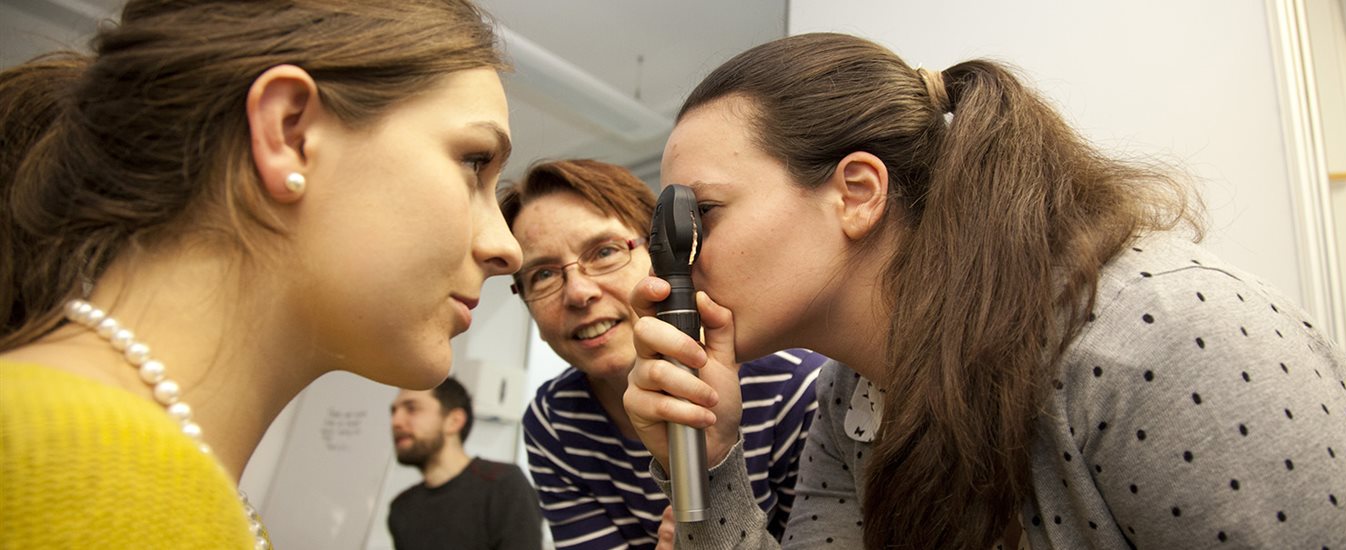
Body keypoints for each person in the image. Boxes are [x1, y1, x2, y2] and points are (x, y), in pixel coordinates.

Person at [623, 32, 1346, 549]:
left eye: (701, 216)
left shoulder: (1165, 336)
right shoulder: (855, 399)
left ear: (856, 192)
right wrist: (713, 465)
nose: (668, 271)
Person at [0, 1, 522, 547]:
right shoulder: (50, 460)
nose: (507, 249)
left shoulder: (155, 479)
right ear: (289, 134)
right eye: (474, 162)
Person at [499, 159, 826, 549]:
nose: (578, 293)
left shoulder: (797, 388)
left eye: (604, 251)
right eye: (544, 275)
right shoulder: (554, 420)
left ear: (661, 254)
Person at [387, 377, 542, 550]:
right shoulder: (402, 508)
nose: (396, 422)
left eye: (412, 408)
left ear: (454, 421)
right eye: (393, 412)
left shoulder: (504, 484)